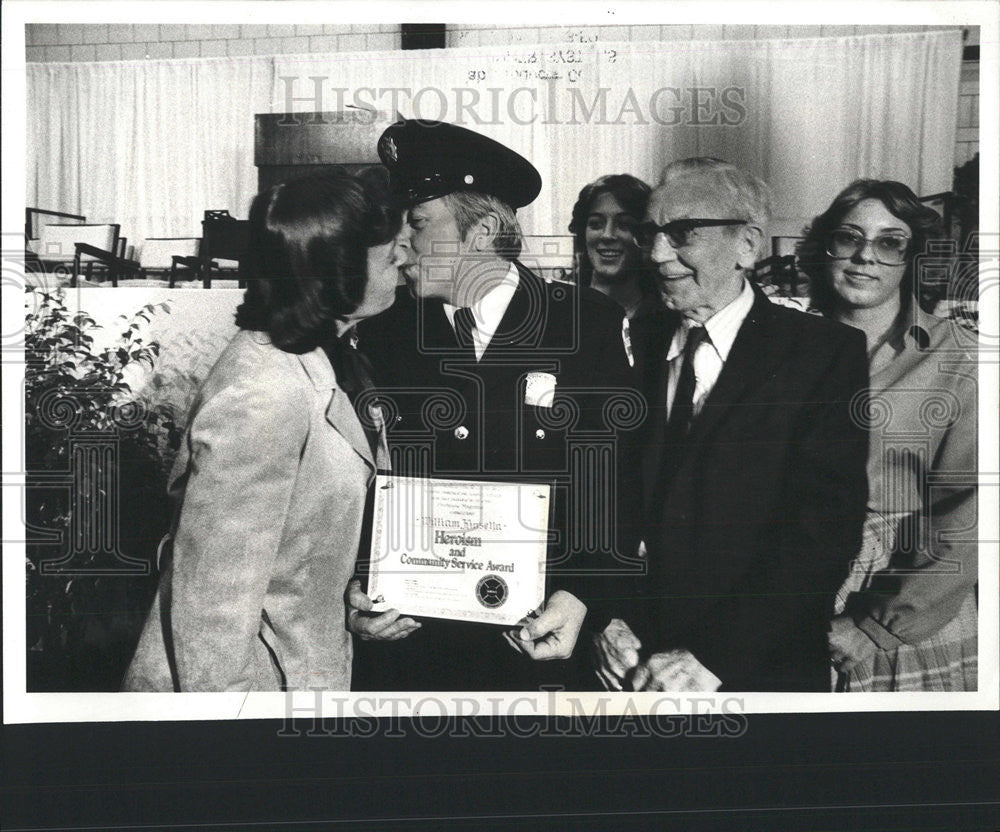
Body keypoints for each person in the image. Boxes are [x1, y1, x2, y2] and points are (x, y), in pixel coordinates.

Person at [353, 120, 639, 691]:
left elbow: (617, 480)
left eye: (417, 223)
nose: (402, 244)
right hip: (411, 649)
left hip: (535, 645)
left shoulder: (584, 324)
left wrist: (582, 594)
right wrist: (355, 589)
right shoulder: (383, 335)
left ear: (482, 233)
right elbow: (360, 482)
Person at [123, 170, 415, 692]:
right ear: (338, 269)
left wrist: (343, 604)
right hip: (239, 703)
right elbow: (211, 607)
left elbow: (294, 549)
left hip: (298, 673)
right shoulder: (264, 391)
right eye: (390, 252)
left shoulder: (328, 358)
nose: (405, 261)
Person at [593, 157, 870, 692]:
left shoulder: (821, 354)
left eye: (682, 234)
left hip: (750, 670)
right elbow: (601, 496)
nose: (655, 254)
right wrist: (605, 617)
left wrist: (711, 657)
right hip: (627, 663)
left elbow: (824, 533)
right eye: (651, 233)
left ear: (747, 244)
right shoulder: (631, 340)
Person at [799, 179, 977, 691]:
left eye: (889, 242)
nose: (864, 257)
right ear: (825, 248)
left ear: (913, 256)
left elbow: (971, 511)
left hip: (904, 604)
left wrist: (873, 627)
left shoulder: (957, 356)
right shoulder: (784, 348)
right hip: (792, 592)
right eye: (849, 237)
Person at [568, 174, 661, 321]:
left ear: (646, 235)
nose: (607, 235)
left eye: (624, 224)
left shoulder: (668, 320)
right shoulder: (560, 309)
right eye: (596, 224)